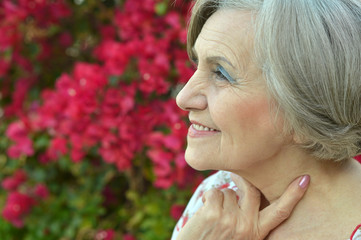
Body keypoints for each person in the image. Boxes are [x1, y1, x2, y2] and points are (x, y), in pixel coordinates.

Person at [171, 0, 361, 239]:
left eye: (221, 73)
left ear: (304, 109)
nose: (184, 97)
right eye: (197, 64)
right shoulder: (216, 201)